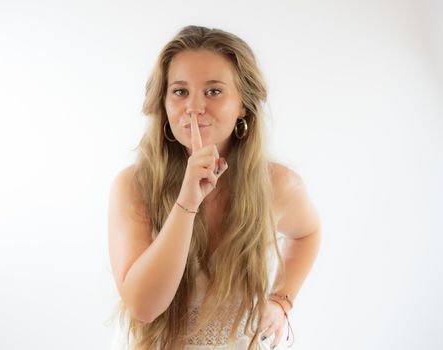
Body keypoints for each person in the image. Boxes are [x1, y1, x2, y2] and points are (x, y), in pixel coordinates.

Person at [107, 25, 321, 350]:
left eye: (214, 91)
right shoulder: (134, 185)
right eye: (180, 91)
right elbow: (144, 307)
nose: (194, 106)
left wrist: (281, 301)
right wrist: (187, 202)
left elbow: (307, 233)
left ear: (243, 106)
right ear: (163, 103)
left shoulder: (278, 184)